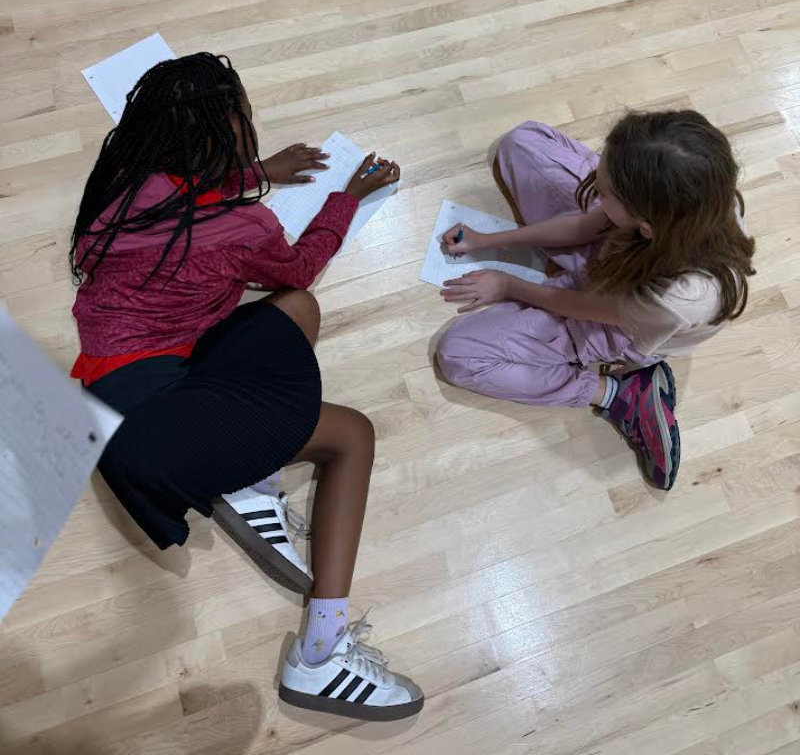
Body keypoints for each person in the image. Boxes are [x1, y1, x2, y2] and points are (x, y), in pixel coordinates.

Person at [69, 52, 422, 721]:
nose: (247, 123)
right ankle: (319, 655)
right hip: (150, 432)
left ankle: (248, 481)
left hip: (109, 383)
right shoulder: (242, 228)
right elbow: (301, 263)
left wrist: (258, 174)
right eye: (242, 117)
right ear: (221, 132)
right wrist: (348, 196)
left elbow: (186, 203)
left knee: (296, 314)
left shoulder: (123, 181)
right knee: (353, 434)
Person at [436, 111, 756, 490]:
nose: (595, 191)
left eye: (604, 190)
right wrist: (488, 241)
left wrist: (509, 285)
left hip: (618, 320)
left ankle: (618, 394)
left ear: (646, 223)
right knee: (521, 142)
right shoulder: (694, 201)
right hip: (622, 256)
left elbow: (579, 304)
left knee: (458, 354)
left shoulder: (681, 297)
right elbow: (587, 224)